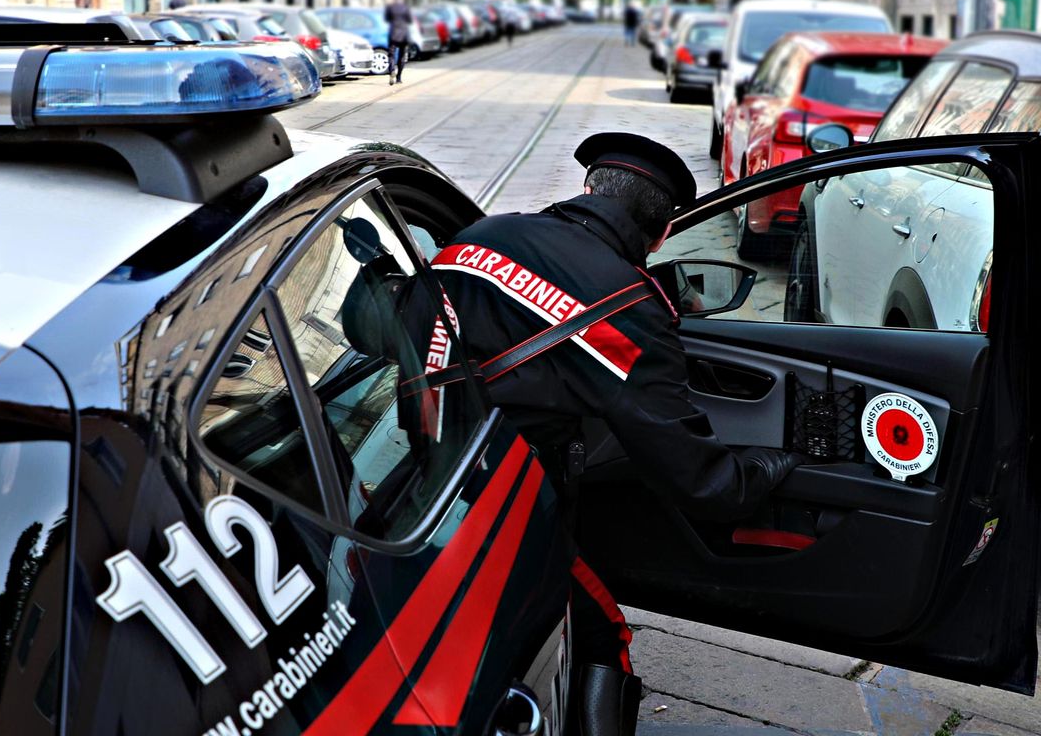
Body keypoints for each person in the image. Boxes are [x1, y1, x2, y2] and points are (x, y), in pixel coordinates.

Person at [342, 133, 801, 736]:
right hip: (505, 506)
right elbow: (696, 476)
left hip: (415, 484)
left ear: (587, 189)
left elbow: (371, 328)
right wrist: (771, 468)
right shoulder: (633, 308)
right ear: (660, 234)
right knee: (602, 632)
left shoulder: (479, 236)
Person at [384, 0, 413, 85]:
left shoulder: (390, 7)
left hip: (393, 33)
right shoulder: (405, 7)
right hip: (404, 34)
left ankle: (392, 69)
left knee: (391, 54)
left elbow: (386, 19)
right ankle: (399, 77)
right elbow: (410, 20)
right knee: (402, 56)